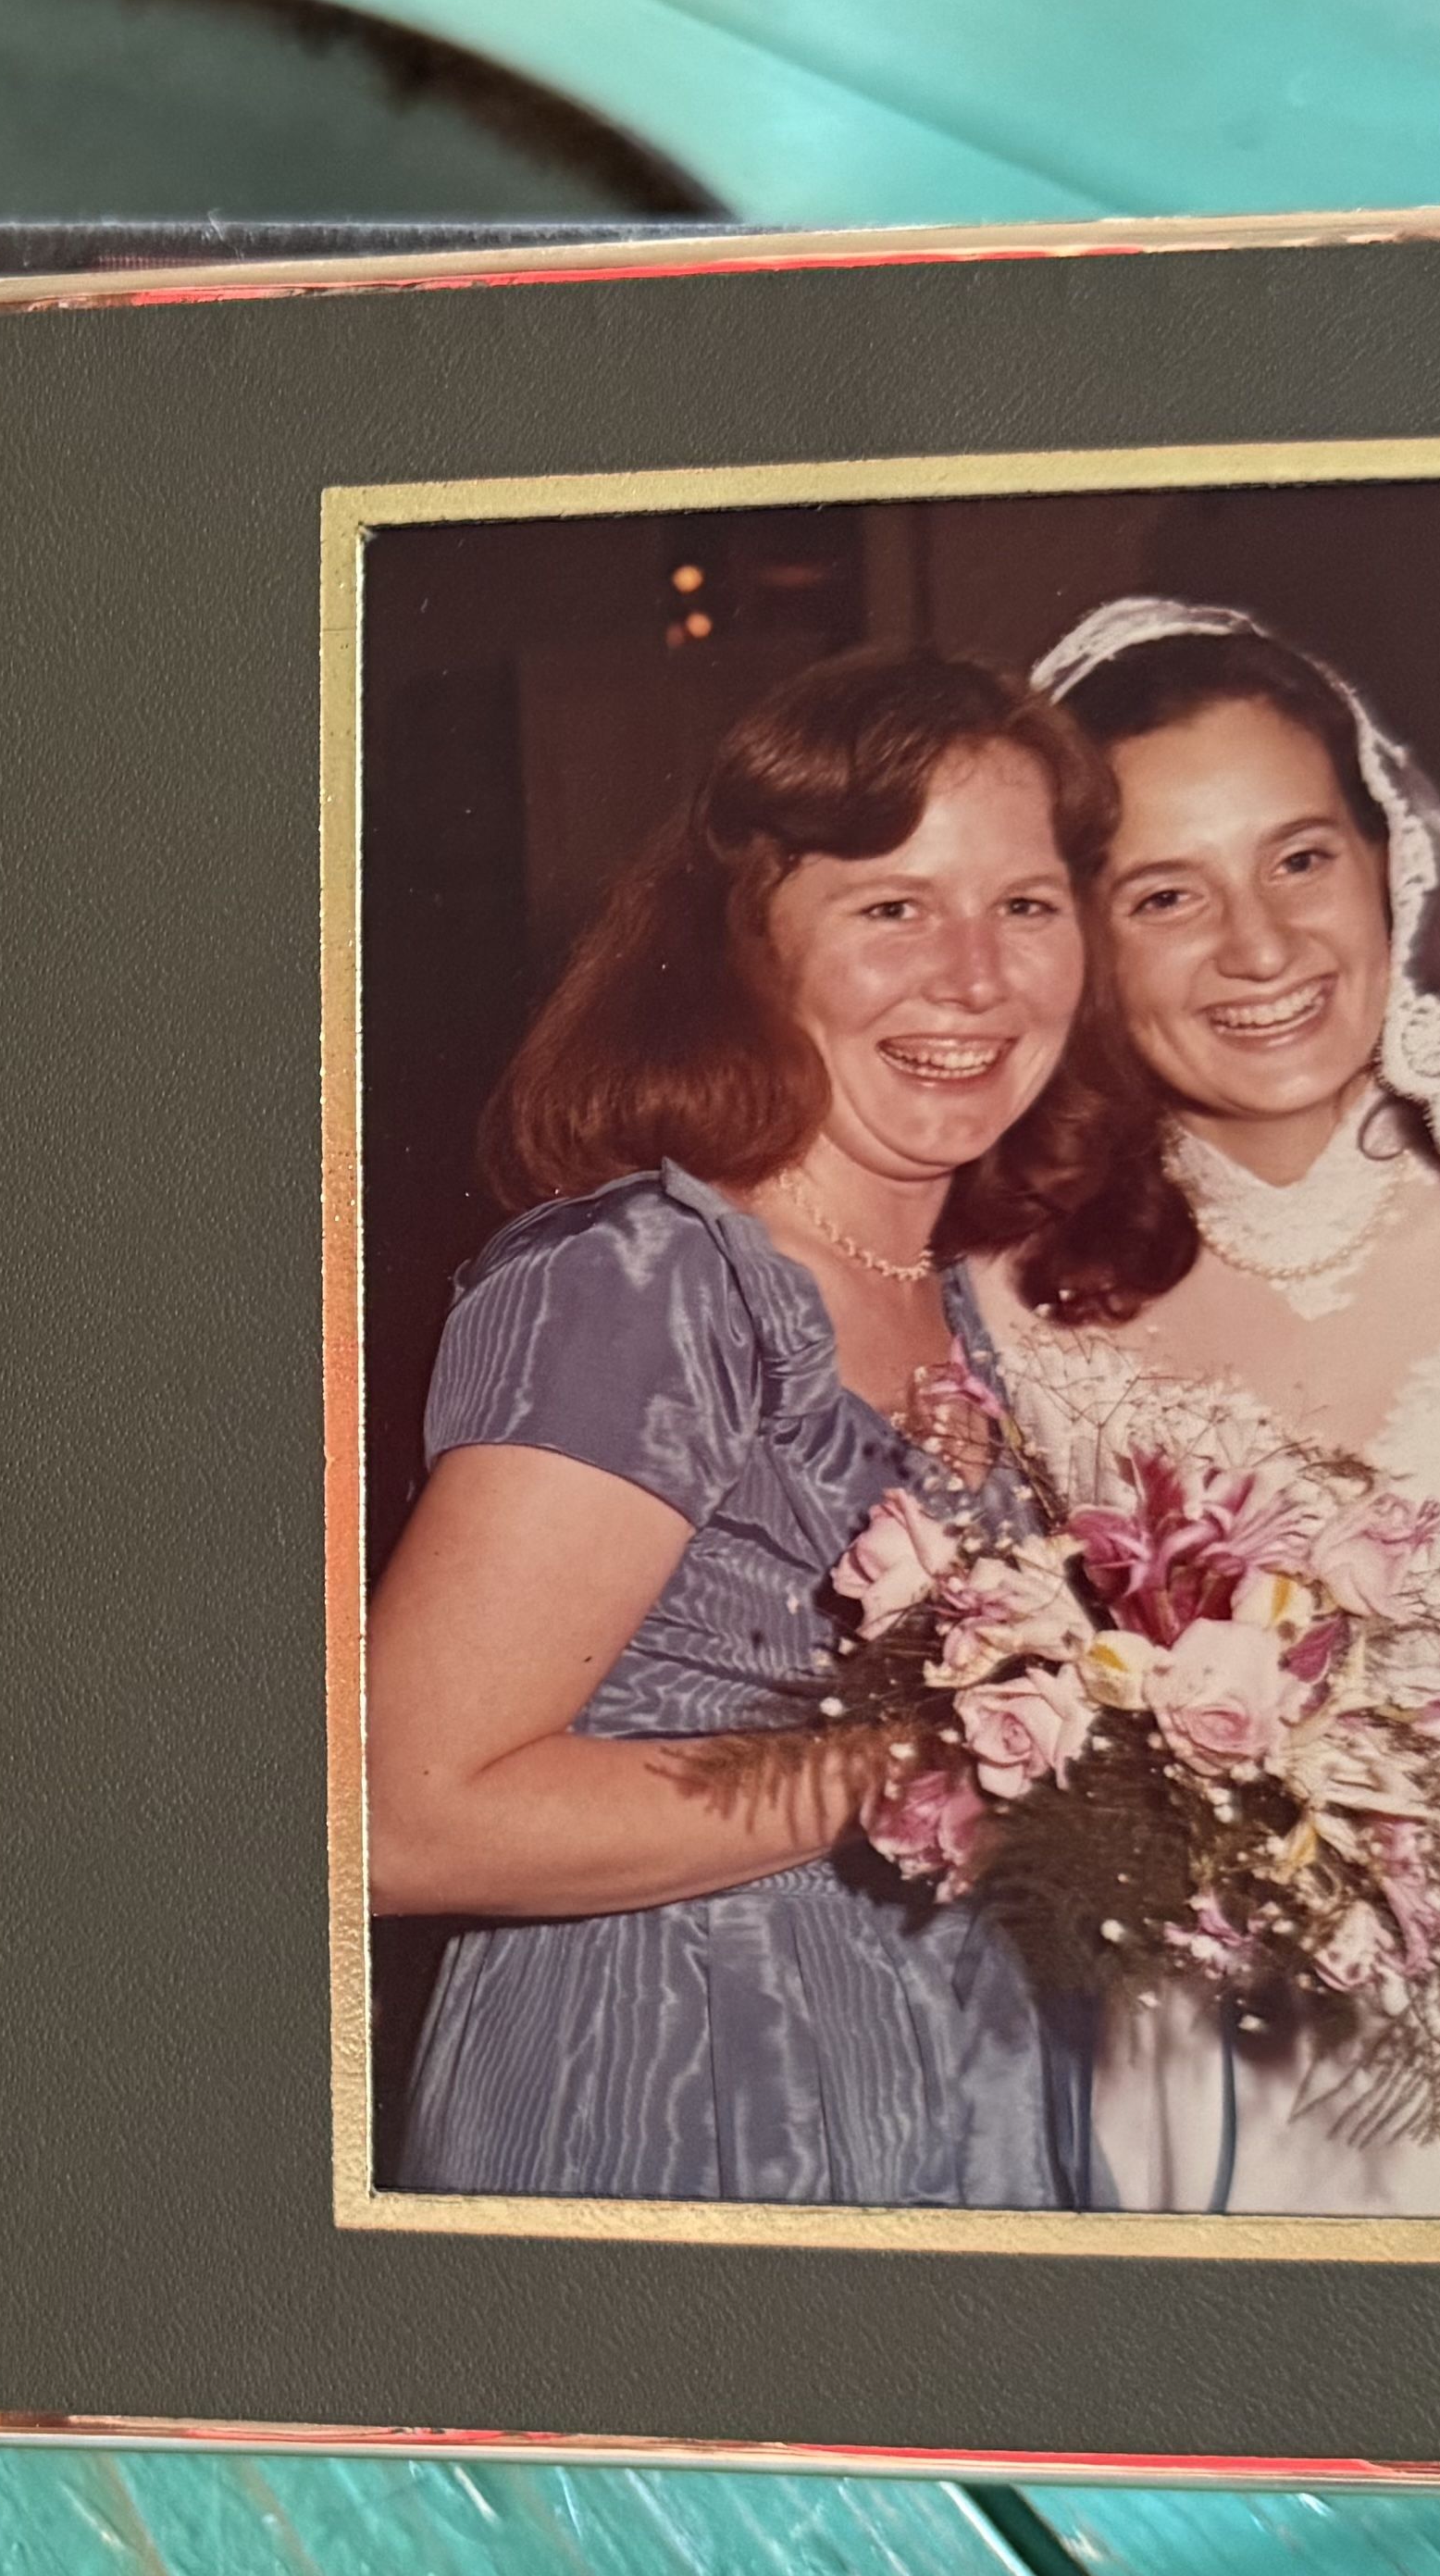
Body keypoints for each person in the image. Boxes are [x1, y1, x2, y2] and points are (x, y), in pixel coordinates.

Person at [982, 600, 1440, 2220]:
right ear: (1077, 940)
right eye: (1167, 895)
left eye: (1301, 859)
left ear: (1393, 858)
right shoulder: (997, 1280)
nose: (1262, 948)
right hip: (1210, 2096)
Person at [376, 646, 1131, 2209]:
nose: (975, 977)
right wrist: (933, 1759)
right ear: (749, 946)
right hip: (687, 2089)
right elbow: (399, 1821)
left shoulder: (980, 1303)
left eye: (1026, 905)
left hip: (969, 2096)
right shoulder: (645, 1282)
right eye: (891, 907)